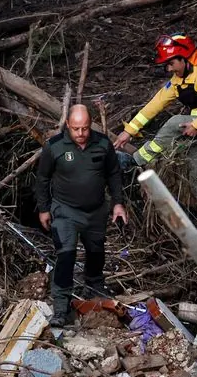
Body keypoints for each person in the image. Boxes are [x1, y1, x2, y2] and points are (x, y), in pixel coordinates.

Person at [113, 34, 197, 222]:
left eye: (171, 63)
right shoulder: (177, 81)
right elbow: (154, 105)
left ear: (184, 57)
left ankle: (136, 161)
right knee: (194, 173)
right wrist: (129, 131)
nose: (169, 68)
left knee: (174, 122)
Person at [35, 104, 128, 328]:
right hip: (65, 210)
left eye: (85, 128)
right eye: (76, 128)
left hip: (96, 210)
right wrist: (44, 208)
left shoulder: (103, 144)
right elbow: (42, 178)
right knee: (66, 254)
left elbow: (114, 174)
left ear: (90, 125)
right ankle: (61, 306)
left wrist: (118, 203)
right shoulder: (54, 147)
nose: (80, 133)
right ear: (68, 125)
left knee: (96, 251)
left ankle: (94, 287)